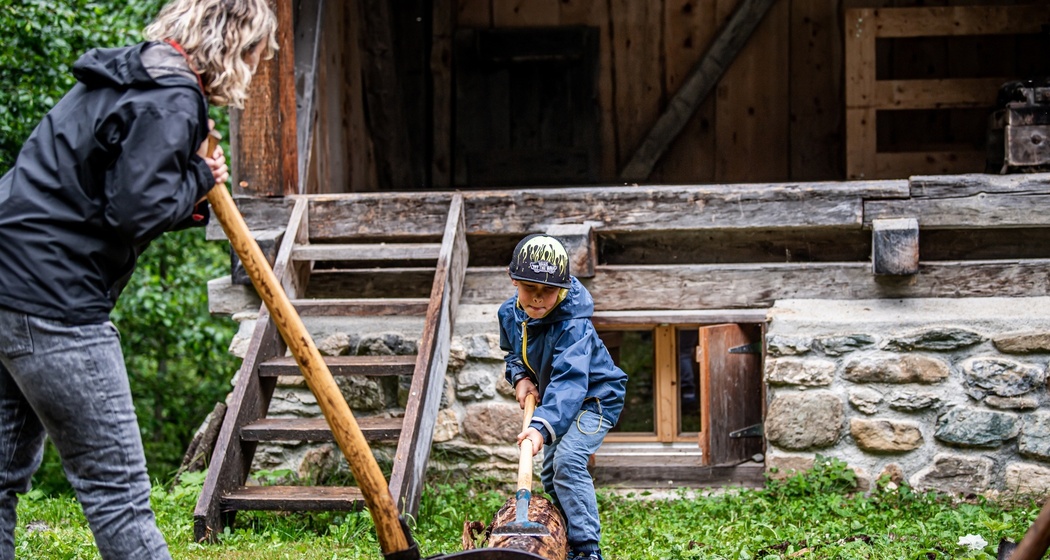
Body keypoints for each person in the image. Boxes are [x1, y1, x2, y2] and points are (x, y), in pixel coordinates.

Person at [0, 0, 277, 557]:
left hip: (9, 278)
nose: (253, 71)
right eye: (254, 56)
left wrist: (193, 197)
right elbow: (133, 211)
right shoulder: (174, 99)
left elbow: (118, 192)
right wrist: (199, 173)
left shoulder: (132, 75)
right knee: (118, 495)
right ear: (233, 45)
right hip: (54, 299)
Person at [498, 234, 628, 560]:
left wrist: (541, 427)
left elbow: (570, 383)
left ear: (565, 287)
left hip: (594, 399)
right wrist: (521, 378)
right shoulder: (509, 315)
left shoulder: (573, 326)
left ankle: (587, 550)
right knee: (550, 473)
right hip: (559, 402)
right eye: (531, 289)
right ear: (514, 280)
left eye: (548, 291)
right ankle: (564, 539)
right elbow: (513, 354)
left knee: (568, 463)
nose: (539, 299)